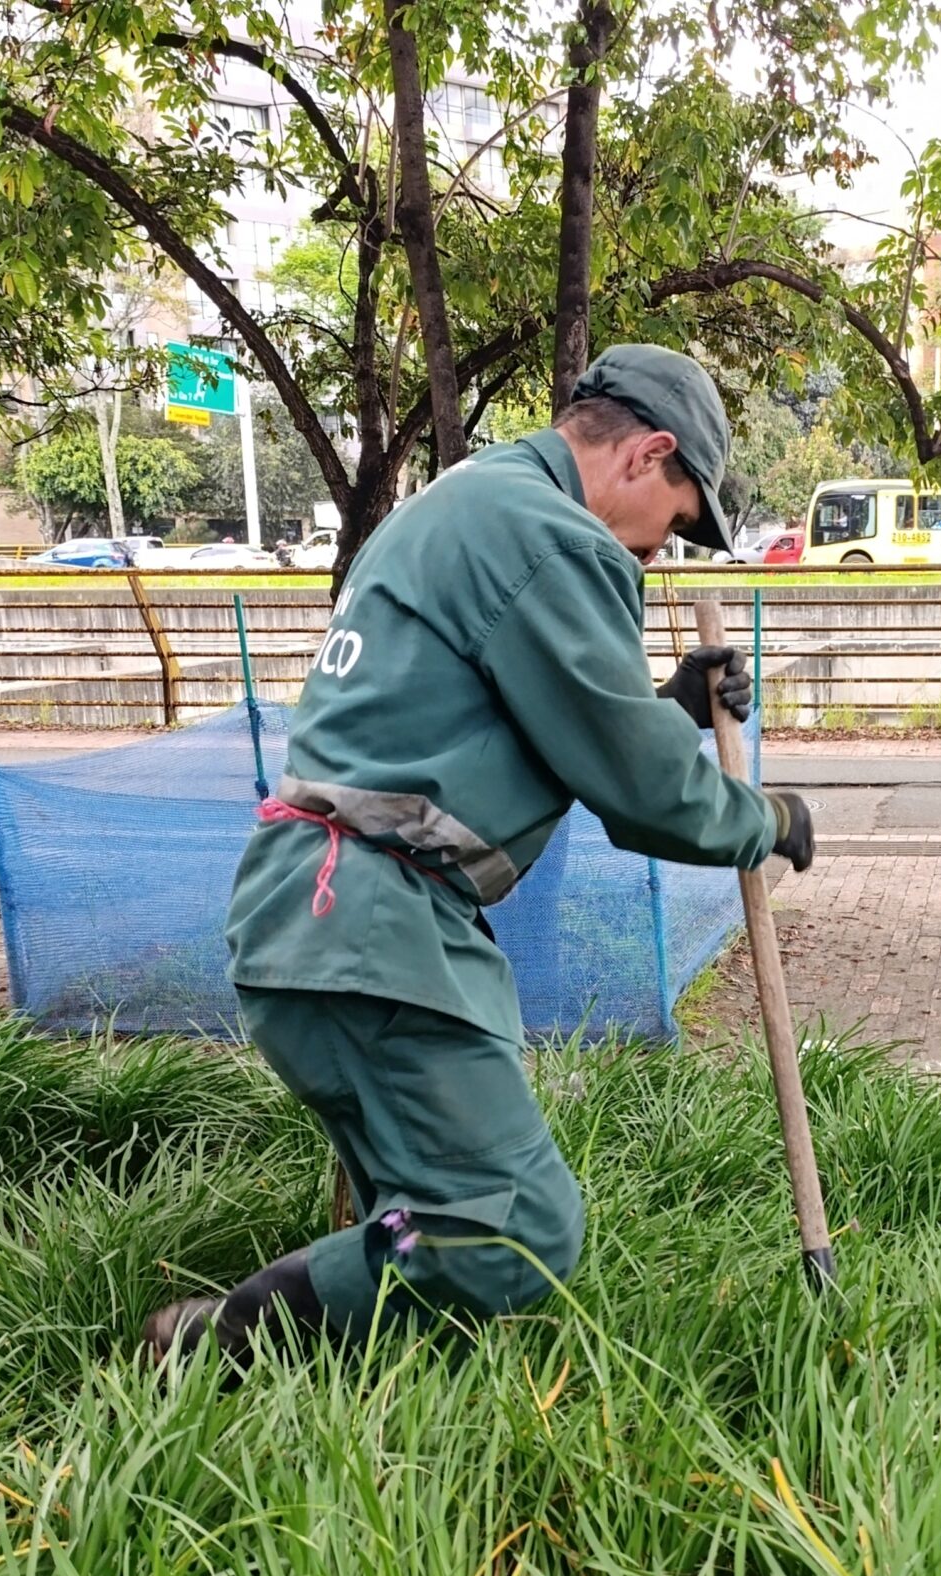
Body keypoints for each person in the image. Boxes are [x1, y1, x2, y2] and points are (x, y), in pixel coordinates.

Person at [144, 345, 813, 1365]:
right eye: (677, 519)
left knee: (421, 1223)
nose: (657, 549)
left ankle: (355, 1377)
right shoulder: (552, 537)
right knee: (513, 1229)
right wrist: (765, 819)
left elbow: (487, 717)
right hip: (373, 930)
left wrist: (662, 708)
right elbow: (646, 798)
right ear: (648, 453)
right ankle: (221, 1337)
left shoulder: (467, 501)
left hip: (317, 916)